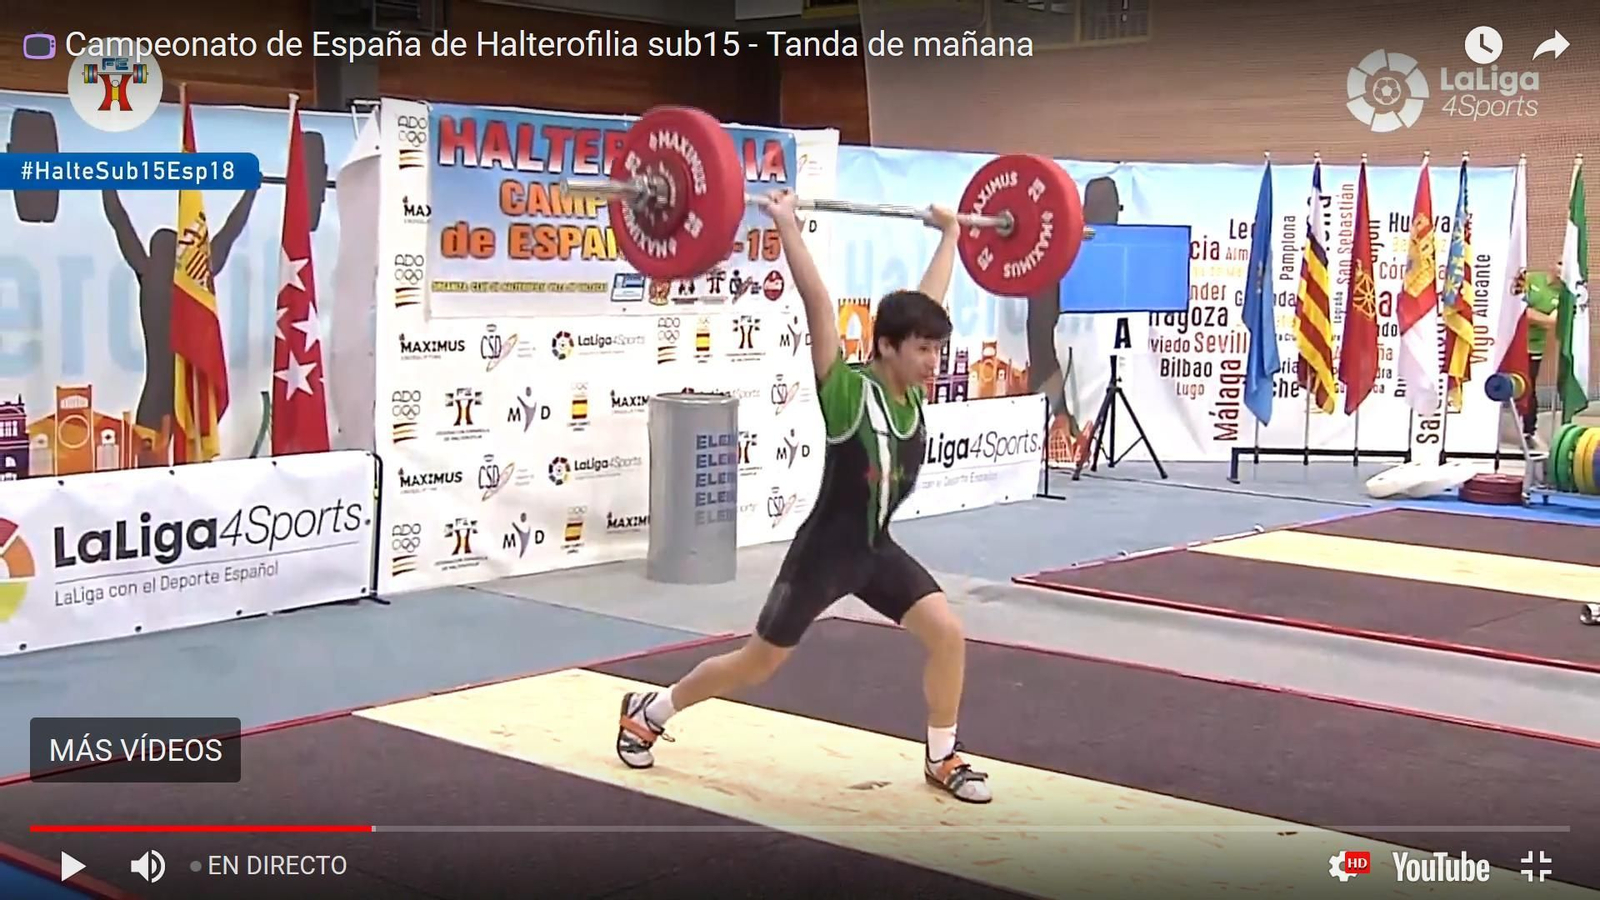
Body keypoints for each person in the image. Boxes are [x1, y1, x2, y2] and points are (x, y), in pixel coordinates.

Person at [614, 189, 992, 804]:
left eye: (936, 348)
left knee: (947, 634)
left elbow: (930, 299)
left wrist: (950, 235)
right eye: (923, 349)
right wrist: (787, 224)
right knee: (757, 664)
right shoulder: (846, 393)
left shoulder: (911, 392)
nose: (933, 361)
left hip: (875, 550)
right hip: (824, 554)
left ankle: (941, 756)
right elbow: (818, 303)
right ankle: (651, 710)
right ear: (887, 346)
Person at [1521, 271, 1562, 449]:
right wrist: (1533, 316)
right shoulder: (1532, 278)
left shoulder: (1563, 296)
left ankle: (1529, 432)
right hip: (1513, 343)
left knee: (1529, 387)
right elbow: (1519, 308)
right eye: (1560, 264)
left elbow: (1551, 322)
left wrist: (1531, 314)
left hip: (1534, 347)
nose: (1562, 269)